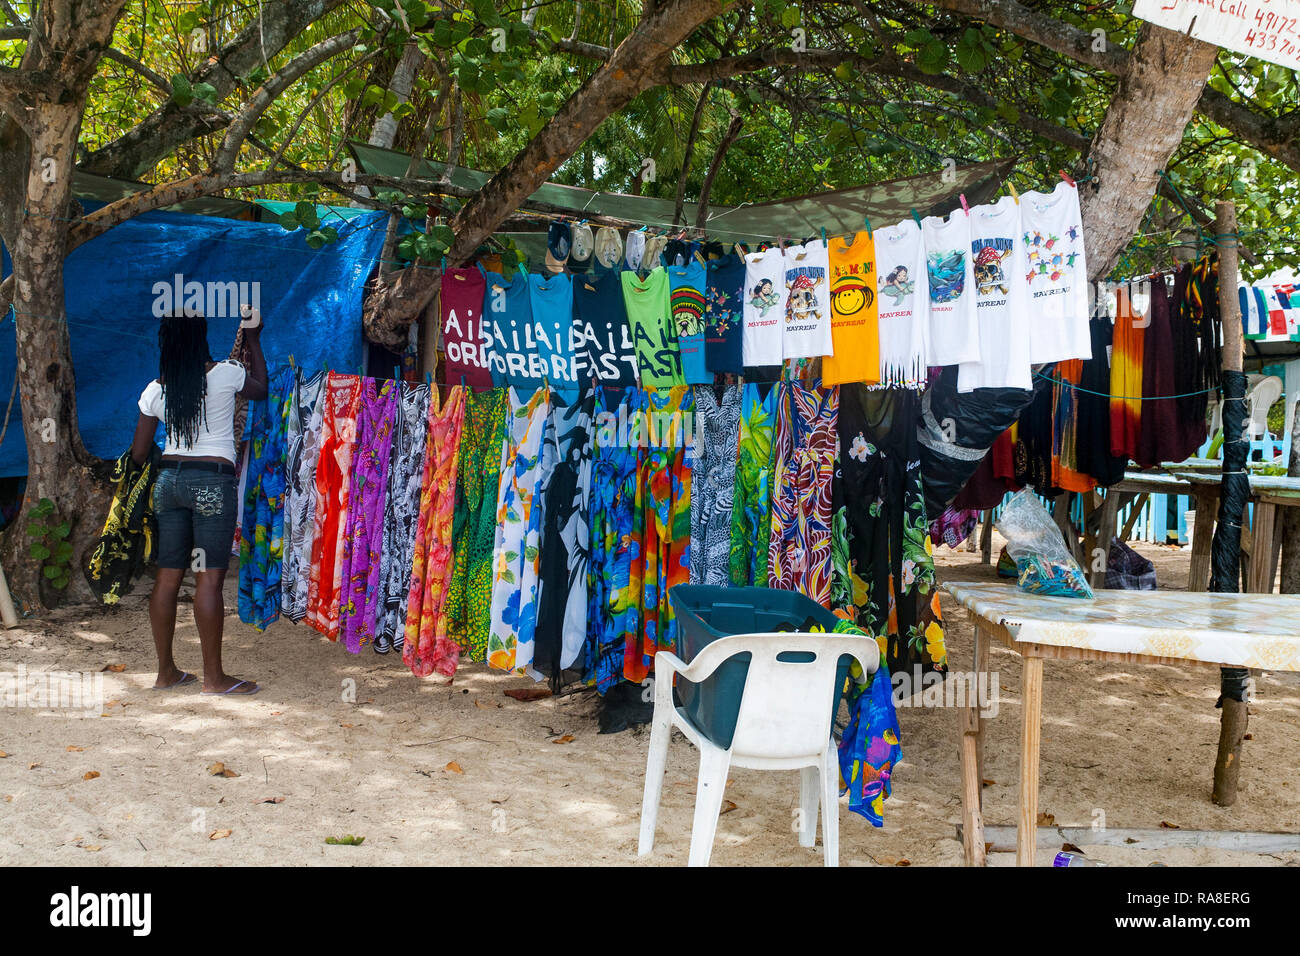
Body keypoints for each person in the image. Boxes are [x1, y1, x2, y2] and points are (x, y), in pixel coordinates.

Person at [130, 304, 268, 695]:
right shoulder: (226, 374)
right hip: (211, 483)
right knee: (208, 580)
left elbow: (139, 453)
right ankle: (214, 679)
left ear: (166, 344)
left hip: (168, 484)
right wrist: (254, 339)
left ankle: (165, 673)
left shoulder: (156, 389)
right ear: (202, 337)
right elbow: (261, 388)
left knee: (167, 577)